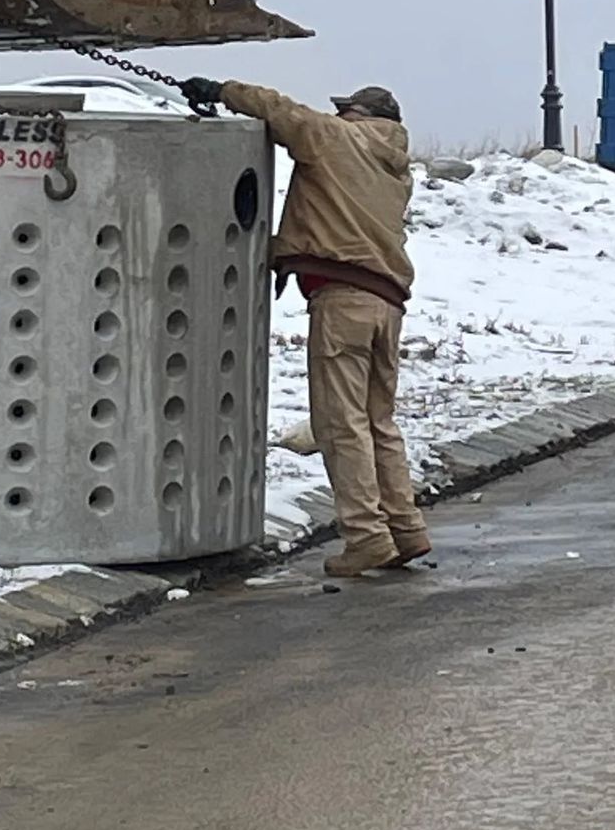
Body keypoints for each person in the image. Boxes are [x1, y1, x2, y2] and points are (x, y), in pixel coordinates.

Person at [181, 77, 433, 580]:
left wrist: (220, 90)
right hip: (385, 303)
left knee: (341, 425)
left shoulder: (338, 139)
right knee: (377, 421)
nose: (336, 116)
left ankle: (365, 537)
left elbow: (280, 110)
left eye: (345, 111)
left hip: (342, 302)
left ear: (359, 116)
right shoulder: (392, 167)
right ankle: (405, 528)